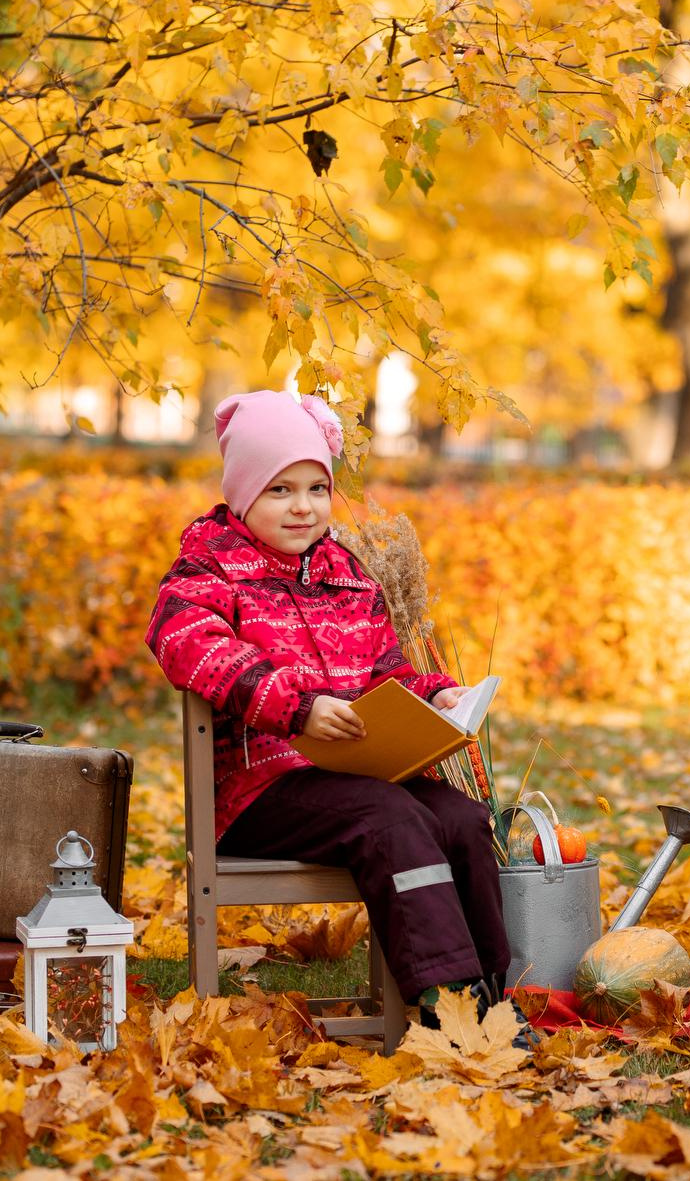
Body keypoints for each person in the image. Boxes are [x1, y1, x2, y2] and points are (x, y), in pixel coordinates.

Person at [146, 389, 515, 1029]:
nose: (302, 506)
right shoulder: (208, 571)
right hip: (260, 789)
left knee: (460, 816)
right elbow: (187, 646)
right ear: (242, 494)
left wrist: (433, 696)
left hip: (351, 776)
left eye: (316, 489)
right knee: (390, 817)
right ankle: (446, 1005)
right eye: (280, 490)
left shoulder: (345, 573)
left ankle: (494, 994)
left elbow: (384, 672)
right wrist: (297, 709)